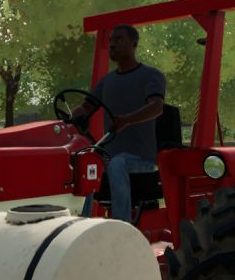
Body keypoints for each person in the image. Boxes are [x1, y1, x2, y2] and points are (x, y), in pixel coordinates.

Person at [70, 23, 166, 222]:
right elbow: (86, 108)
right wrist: (71, 118)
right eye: (111, 41)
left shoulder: (151, 76)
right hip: (110, 158)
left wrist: (127, 120)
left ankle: (122, 225)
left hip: (141, 161)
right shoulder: (106, 82)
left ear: (134, 43)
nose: (112, 45)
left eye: (118, 40)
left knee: (117, 163)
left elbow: (157, 107)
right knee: (87, 163)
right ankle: (81, 224)